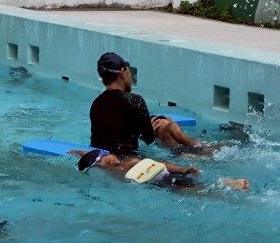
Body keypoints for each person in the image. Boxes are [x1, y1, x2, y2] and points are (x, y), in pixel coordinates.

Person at [89, 51, 217, 157]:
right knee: (171, 132)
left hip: (105, 159)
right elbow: (149, 138)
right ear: (123, 72)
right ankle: (209, 151)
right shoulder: (134, 100)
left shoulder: (96, 104)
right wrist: (159, 124)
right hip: (131, 159)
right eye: (129, 71)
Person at [75, 148, 248, 191]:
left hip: (164, 180)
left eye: (107, 155)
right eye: (104, 157)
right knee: (196, 189)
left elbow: (159, 163)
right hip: (157, 183)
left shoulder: (129, 163)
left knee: (195, 190)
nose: (110, 155)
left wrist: (184, 170)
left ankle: (229, 183)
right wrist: (80, 153)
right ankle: (226, 184)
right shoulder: (112, 172)